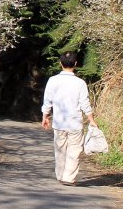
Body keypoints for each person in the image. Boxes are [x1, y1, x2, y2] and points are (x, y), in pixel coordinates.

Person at [41, 51, 96, 186]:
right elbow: (84, 103)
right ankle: (69, 177)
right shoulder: (80, 83)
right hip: (75, 123)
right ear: (75, 63)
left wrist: (45, 116)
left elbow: (48, 100)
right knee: (74, 150)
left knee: (60, 150)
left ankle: (60, 175)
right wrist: (91, 119)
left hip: (59, 122)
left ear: (60, 63)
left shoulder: (52, 80)